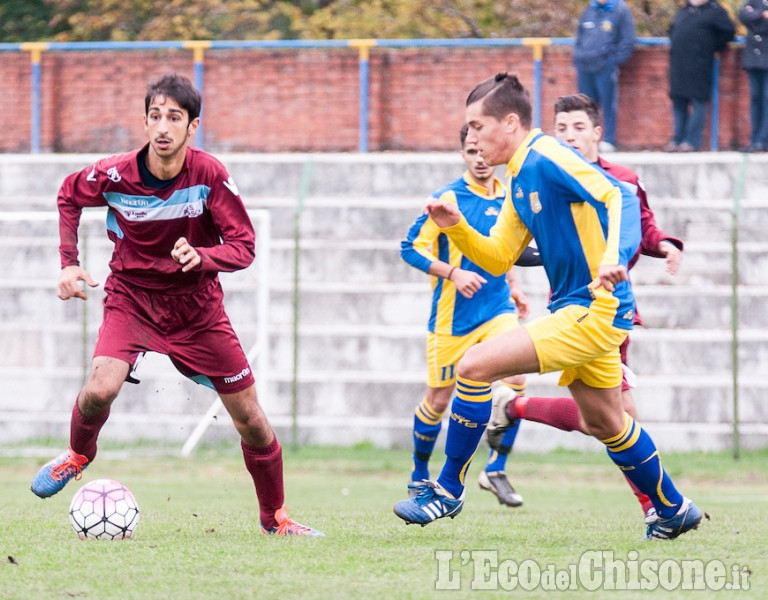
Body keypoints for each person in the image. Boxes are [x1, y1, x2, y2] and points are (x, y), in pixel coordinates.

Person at [393, 72, 702, 541]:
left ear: (510, 122)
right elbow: (498, 256)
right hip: (581, 309)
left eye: (478, 126)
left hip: (593, 308)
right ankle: (673, 508)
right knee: (606, 421)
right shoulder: (520, 174)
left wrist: (615, 258)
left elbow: (616, 192)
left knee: (474, 366)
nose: (472, 139)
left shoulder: (546, 154)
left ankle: (447, 490)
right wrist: (455, 226)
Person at [30, 73, 322, 537]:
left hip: (197, 309)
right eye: (154, 116)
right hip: (132, 299)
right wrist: (69, 263)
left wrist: (203, 256)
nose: (163, 127)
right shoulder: (115, 172)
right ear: (144, 122)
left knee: (251, 420)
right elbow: (68, 194)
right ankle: (77, 455)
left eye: (174, 117)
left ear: (193, 126)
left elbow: (244, 246)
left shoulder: (209, 175)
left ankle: (276, 519)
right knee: (99, 389)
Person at [487, 93, 684, 518]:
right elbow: (526, 237)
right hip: (576, 309)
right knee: (615, 416)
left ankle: (516, 407)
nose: (569, 136)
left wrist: (663, 243)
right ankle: (661, 507)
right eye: (561, 129)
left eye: (579, 128)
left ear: (597, 133)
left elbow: (639, 221)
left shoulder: (621, 180)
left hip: (615, 307)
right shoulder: (548, 171)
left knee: (609, 418)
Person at [400, 124, 536, 508]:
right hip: (452, 320)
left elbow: (504, 249)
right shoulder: (447, 198)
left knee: (517, 376)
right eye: (471, 152)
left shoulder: (510, 196)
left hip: (497, 309)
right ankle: (419, 474)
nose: (479, 159)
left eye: (483, 151)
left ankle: (495, 468)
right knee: (439, 399)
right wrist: (453, 273)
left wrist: (513, 285)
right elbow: (408, 247)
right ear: (462, 154)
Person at [666, 0, 735, 152]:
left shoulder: (714, 11)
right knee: (678, 101)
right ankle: (677, 138)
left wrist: (710, 45)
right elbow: (672, 30)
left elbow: (728, 32)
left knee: (698, 101)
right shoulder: (685, 11)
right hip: (679, 64)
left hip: (699, 64)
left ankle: (692, 141)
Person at [572, 0, 636, 153]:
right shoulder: (589, 10)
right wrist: (578, 56)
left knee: (608, 103)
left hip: (605, 66)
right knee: (585, 106)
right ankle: (586, 139)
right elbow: (579, 37)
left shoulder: (620, 10)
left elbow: (627, 39)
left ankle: (608, 139)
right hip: (584, 65)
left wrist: (614, 61)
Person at [739, 0, 768, 152]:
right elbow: (743, 16)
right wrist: (761, 14)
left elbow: (754, 22)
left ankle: (762, 140)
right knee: (756, 98)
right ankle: (755, 138)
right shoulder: (753, 1)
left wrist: (754, 16)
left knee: (766, 99)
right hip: (754, 60)